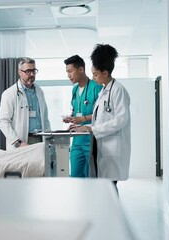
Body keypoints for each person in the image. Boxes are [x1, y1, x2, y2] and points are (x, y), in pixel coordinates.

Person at [72, 44, 131, 191]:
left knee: (110, 188)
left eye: (95, 74)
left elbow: (121, 120)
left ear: (105, 73)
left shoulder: (118, 90)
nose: (93, 78)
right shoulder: (104, 91)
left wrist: (92, 128)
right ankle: (107, 213)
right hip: (103, 147)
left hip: (112, 148)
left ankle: (113, 214)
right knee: (105, 188)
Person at [0, 57, 51, 150]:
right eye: (28, 71)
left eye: (34, 71)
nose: (31, 74)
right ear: (20, 72)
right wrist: (17, 142)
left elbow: (45, 119)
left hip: (40, 139)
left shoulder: (39, 91)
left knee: (42, 164)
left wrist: (49, 139)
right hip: (21, 141)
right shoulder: (10, 93)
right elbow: (3, 121)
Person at [63, 55, 102, 177]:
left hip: (91, 139)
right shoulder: (74, 90)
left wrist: (83, 119)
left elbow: (102, 115)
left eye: (70, 71)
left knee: (91, 176)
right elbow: (76, 111)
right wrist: (71, 118)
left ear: (81, 69)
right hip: (77, 139)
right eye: (67, 72)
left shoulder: (96, 87)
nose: (68, 75)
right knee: (75, 176)